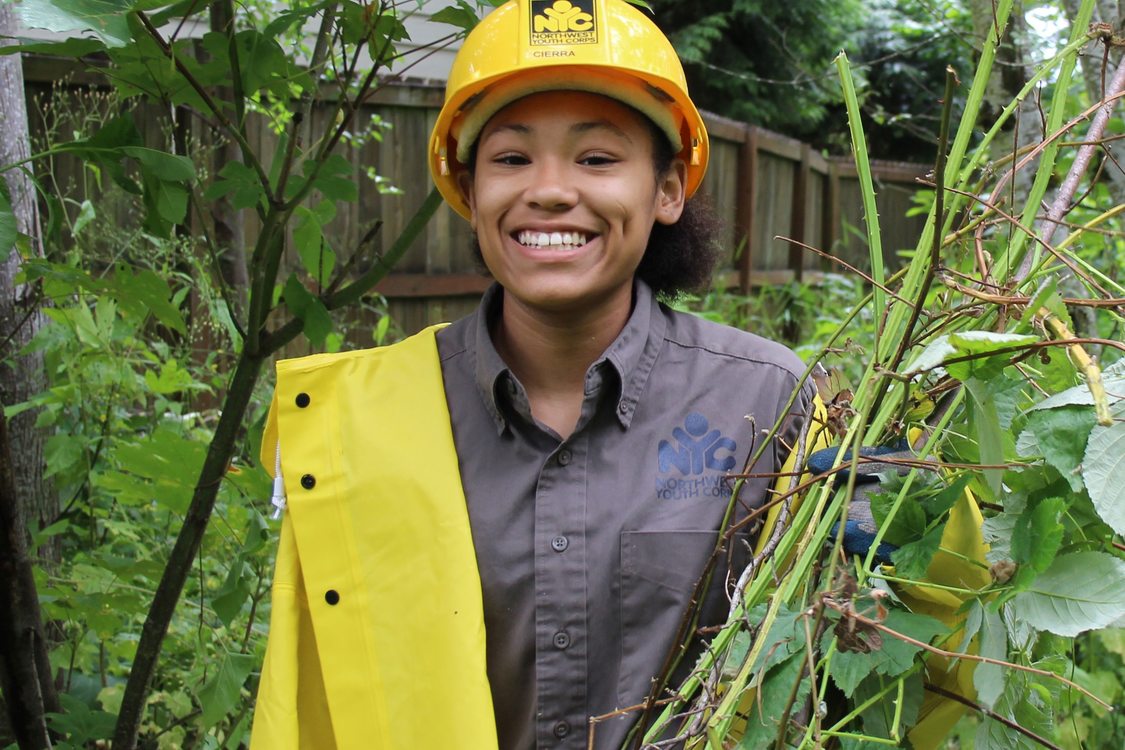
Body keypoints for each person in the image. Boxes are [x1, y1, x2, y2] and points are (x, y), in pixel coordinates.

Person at [249, 1, 818, 748]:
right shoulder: (356, 424)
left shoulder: (766, 402)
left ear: (668, 188)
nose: (548, 190)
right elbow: (314, 704)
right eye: (511, 159)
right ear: (468, 189)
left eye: (596, 158)